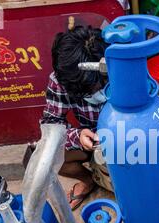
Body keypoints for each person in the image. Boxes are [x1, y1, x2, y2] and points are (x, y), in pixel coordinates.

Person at [40, 24, 108, 209]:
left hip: (129, 139)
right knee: (51, 155)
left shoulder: (122, 69)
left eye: (94, 87)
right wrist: (77, 137)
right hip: (92, 140)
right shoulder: (62, 79)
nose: (94, 93)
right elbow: (51, 124)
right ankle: (89, 180)